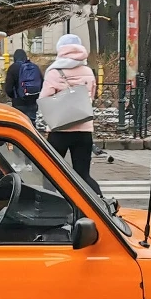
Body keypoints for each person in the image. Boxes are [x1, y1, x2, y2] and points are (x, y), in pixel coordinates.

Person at [40, 34, 101, 191]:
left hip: (60, 129)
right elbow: (91, 97)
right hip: (83, 129)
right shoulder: (88, 71)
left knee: (51, 172)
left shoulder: (54, 72)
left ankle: (51, 204)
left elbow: (44, 98)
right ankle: (100, 205)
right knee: (83, 175)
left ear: (60, 49)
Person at [3, 48, 43, 123]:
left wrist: (14, 96)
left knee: (20, 124)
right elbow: (42, 83)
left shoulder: (13, 68)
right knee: (31, 125)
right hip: (33, 102)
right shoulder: (34, 67)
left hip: (18, 103)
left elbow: (9, 89)